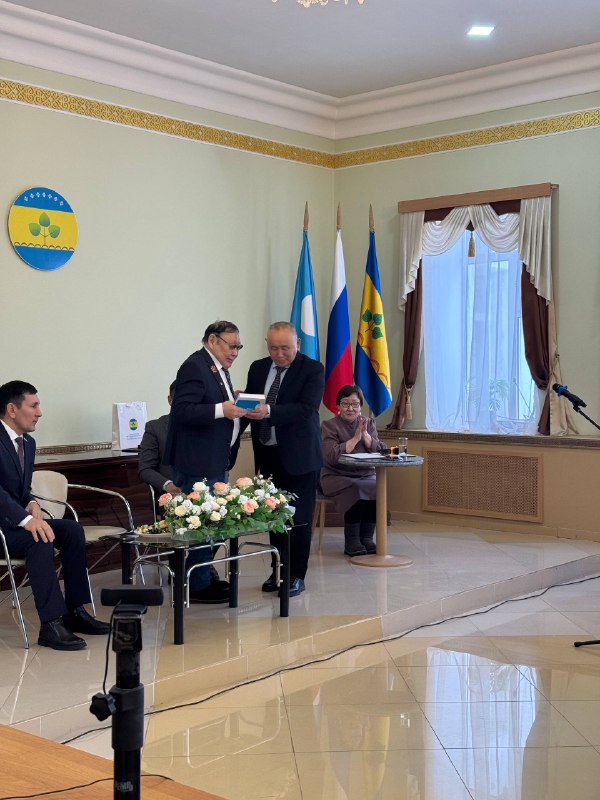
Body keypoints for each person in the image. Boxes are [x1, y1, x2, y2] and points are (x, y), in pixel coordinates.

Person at [0, 381, 111, 651]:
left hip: (14, 524)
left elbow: (20, 490)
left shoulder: (28, 443)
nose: (40, 413)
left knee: (72, 531)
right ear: (12, 409)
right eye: (34, 406)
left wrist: (31, 503)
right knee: (39, 538)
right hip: (3, 529)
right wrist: (27, 520)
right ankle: (51, 624)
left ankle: (75, 611)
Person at [164, 321, 246, 603]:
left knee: (214, 524)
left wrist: (236, 404)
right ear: (213, 340)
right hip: (197, 463)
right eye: (231, 346)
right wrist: (222, 408)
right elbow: (183, 411)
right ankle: (196, 585)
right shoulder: (194, 366)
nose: (235, 352)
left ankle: (198, 576)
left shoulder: (217, 368)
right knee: (202, 525)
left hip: (215, 461)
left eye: (239, 347)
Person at [244, 322, 324, 597]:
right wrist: (240, 407)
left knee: (298, 520)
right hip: (267, 454)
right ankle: (277, 570)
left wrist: (268, 411)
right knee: (273, 517)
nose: (279, 354)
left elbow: (306, 409)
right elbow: (251, 402)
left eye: (285, 348)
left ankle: (296, 575)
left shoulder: (312, 369)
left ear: (297, 344)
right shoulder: (257, 367)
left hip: (300, 458)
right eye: (274, 348)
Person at [320, 384, 384, 556]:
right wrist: (356, 438)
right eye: (345, 404)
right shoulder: (329, 425)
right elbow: (331, 456)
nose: (350, 408)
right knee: (356, 488)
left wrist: (366, 436)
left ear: (360, 406)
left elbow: (380, 450)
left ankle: (367, 538)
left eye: (355, 404)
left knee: (376, 487)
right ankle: (352, 540)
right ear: (338, 406)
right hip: (336, 475)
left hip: (365, 473)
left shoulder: (368, 423)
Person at [138, 381, 181, 497]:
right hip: (171, 498)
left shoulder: (206, 427)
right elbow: (145, 469)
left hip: (206, 496)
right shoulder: (155, 428)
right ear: (170, 400)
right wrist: (168, 485)